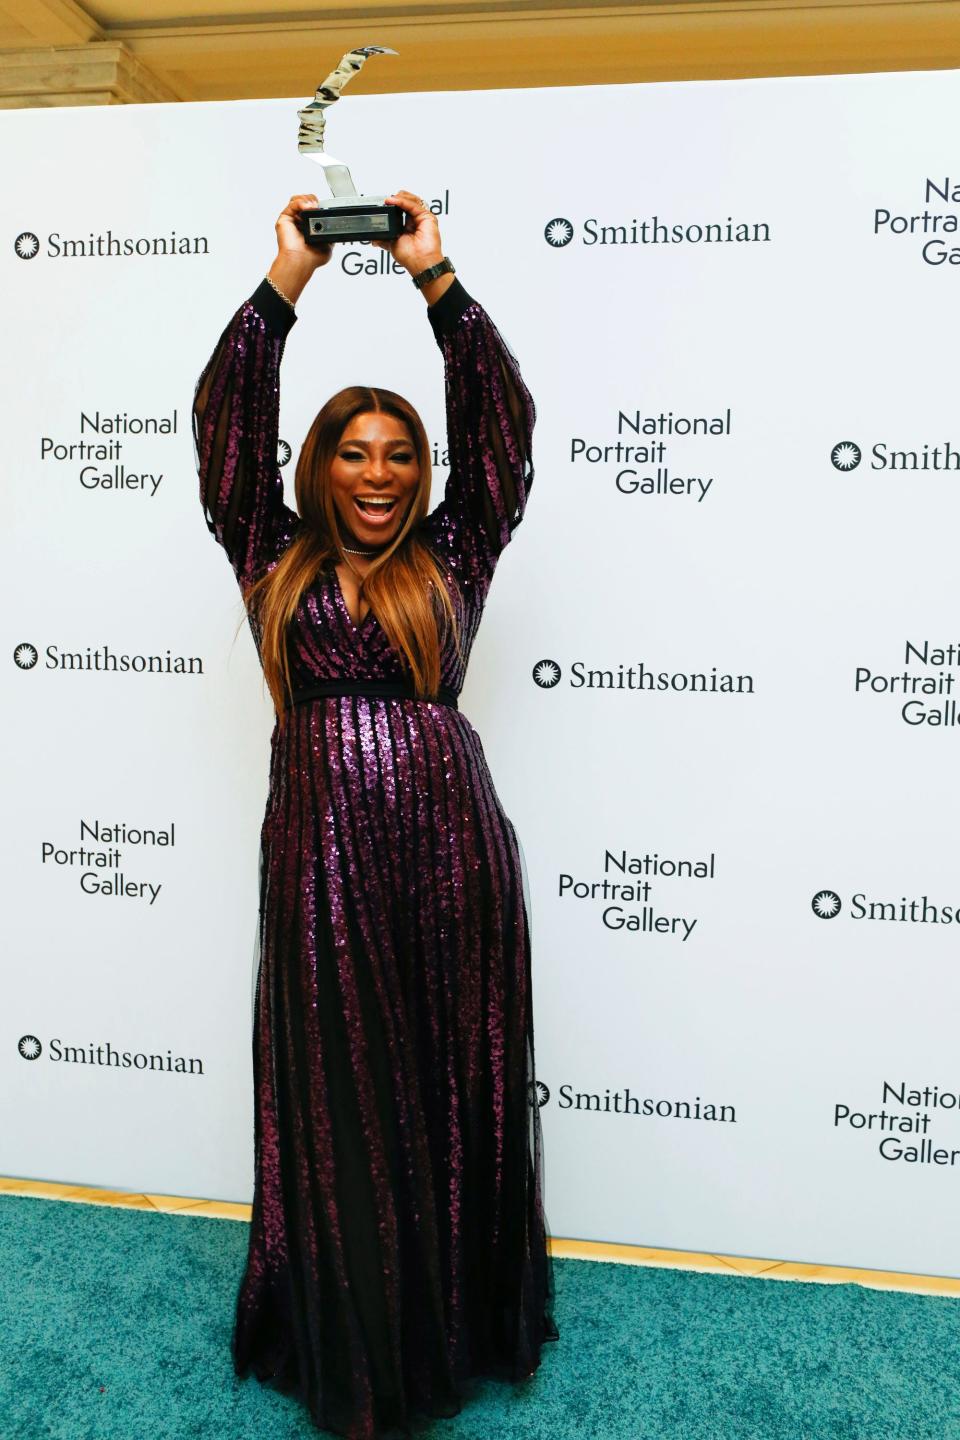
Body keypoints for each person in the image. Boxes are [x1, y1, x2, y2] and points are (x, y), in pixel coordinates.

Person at [193, 190, 558, 1440]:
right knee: (342, 1090)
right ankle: (349, 1335)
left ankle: (448, 1324)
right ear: (317, 466)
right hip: (318, 864)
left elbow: (504, 434)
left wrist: (438, 280)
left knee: (446, 1086)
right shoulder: (267, 552)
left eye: (400, 454)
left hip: (453, 854)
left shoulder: (456, 555)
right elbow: (223, 433)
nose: (379, 473)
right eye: (355, 451)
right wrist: (283, 282)